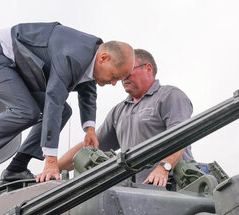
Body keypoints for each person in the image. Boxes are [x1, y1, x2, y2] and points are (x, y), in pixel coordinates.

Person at [0, 22, 134, 186]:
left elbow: (88, 91)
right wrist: (51, 162)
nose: (113, 83)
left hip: (22, 65)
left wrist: (90, 130)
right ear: (103, 58)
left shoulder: (91, 55)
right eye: (114, 76)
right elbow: (53, 101)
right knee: (27, 111)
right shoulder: (72, 57)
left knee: (64, 111)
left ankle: (16, 168)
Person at [57, 49, 194, 186]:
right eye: (121, 73)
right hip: (134, 192)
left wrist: (164, 167)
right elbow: (90, 146)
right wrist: (54, 168)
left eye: (128, 71)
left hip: (172, 188)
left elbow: (180, 135)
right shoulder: (119, 110)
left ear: (148, 68)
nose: (123, 77)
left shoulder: (169, 96)